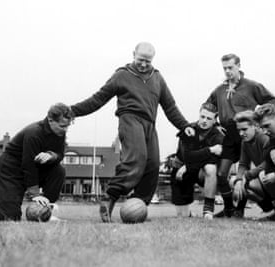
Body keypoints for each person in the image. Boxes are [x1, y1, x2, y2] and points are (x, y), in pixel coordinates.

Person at [70, 42, 194, 223]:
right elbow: (98, 99)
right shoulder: (122, 75)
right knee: (137, 157)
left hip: (150, 124)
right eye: (141, 60)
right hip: (130, 119)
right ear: (133, 54)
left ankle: (138, 206)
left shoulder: (157, 78)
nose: (144, 64)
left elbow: (170, 106)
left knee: (152, 165)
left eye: (148, 61)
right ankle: (109, 197)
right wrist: (73, 110)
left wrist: (184, 125)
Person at [0, 103, 74, 221]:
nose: (65, 130)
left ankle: (45, 212)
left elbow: (60, 154)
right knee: (9, 217)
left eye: (67, 126)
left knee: (58, 171)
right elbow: (28, 165)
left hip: (31, 170)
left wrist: (51, 155)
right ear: (50, 120)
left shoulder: (59, 133)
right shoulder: (34, 133)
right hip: (8, 172)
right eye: (62, 126)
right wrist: (35, 194)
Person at [206, 54, 275, 217]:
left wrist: (260, 114)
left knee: (248, 168)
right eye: (224, 68)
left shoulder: (252, 86)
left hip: (249, 131)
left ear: (239, 65)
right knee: (222, 174)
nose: (227, 71)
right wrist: (216, 125)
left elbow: (273, 100)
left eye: (230, 67)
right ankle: (229, 209)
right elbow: (207, 107)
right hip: (230, 134)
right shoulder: (219, 90)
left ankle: (244, 209)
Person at [171, 103, 224, 220]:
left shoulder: (218, 136)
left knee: (211, 167)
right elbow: (187, 156)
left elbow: (213, 159)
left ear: (215, 120)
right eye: (202, 117)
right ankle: (188, 213)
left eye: (209, 118)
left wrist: (189, 165)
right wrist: (210, 149)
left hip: (199, 172)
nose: (204, 121)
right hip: (181, 171)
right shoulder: (189, 129)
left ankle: (208, 209)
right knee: (182, 216)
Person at [230, 110, 273, 218]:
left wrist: (247, 175)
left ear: (255, 126)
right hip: (262, 177)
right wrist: (239, 180)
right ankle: (239, 211)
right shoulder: (245, 142)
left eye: (244, 129)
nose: (241, 133)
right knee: (234, 181)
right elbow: (243, 164)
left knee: (258, 178)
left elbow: (268, 163)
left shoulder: (264, 138)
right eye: (239, 130)